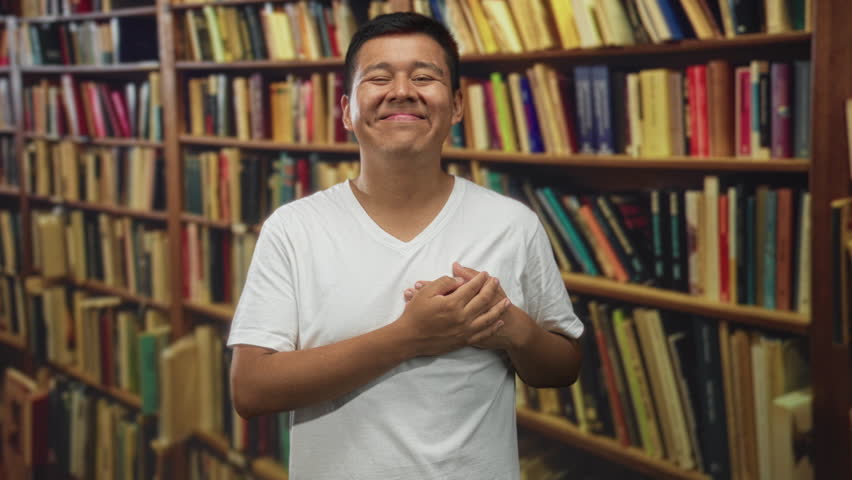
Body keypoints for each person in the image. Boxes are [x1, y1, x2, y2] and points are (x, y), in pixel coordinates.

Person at [227, 12, 583, 479]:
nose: (402, 91)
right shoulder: (295, 229)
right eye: (378, 77)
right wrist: (410, 336)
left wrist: (511, 329)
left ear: (455, 106)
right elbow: (251, 391)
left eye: (423, 76)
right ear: (347, 111)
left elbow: (562, 366)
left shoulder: (512, 224)